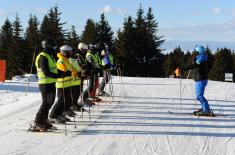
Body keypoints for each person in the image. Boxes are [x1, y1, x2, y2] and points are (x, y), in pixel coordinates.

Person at [32, 38, 64, 131]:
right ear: (48, 46)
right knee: (46, 103)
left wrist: (63, 73)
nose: (54, 48)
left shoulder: (49, 55)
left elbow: (53, 69)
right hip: (45, 84)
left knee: (49, 103)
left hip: (51, 83)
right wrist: (58, 75)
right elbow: (46, 72)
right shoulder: (43, 56)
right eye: (53, 46)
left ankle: (44, 121)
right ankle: (38, 122)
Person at [182, 45, 213, 116]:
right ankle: (204, 108)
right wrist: (193, 60)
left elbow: (195, 65)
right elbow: (195, 64)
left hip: (201, 79)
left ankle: (207, 110)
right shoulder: (199, 57)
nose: (195, 52)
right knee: (198, 96)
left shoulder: (202, 57)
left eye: (196, 51)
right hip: (198, 79)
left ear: (199, 51)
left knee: (200, 95)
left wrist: (184, 68)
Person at [49, 45, 73, 123]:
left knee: (66, 100)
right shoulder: (61, 60)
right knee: (61, 100)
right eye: (69, 52)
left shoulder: (66, 60)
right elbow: (63, 71)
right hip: (62, 83)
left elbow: (70, 70)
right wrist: (68, 73)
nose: (71, 53)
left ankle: (59, 114)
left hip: (67, 83)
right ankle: (52, 116)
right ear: (64, 52)